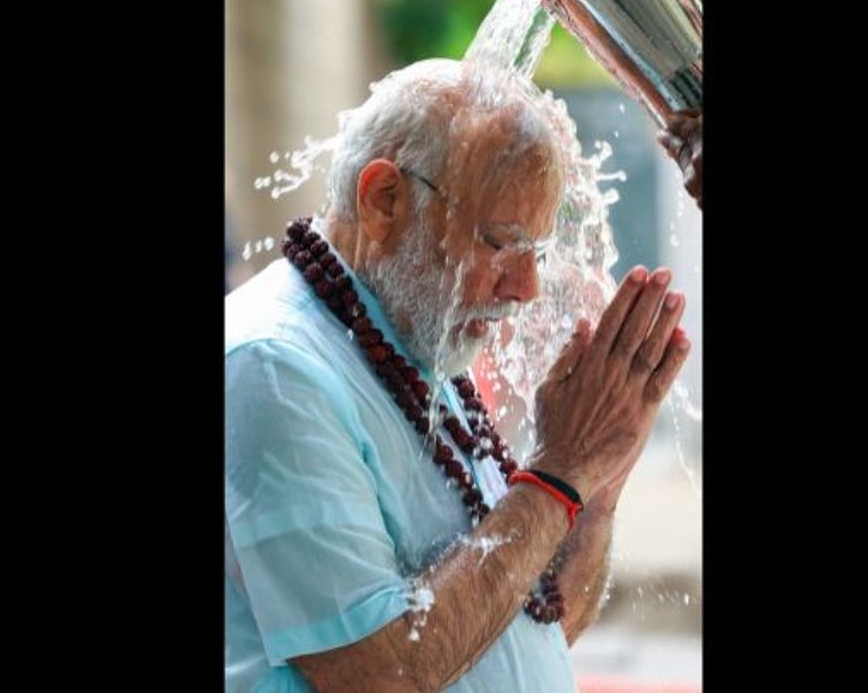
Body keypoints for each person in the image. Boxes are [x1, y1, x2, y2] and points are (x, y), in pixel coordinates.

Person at [225, 59, 691, 692]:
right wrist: (558, 473)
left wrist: (594, 485)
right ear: (383, 200)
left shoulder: (409, 344)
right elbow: (382, 677)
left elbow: (534, 624)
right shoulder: (273, 369)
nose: (524, 288)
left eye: (537, 252)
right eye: (500, 244)